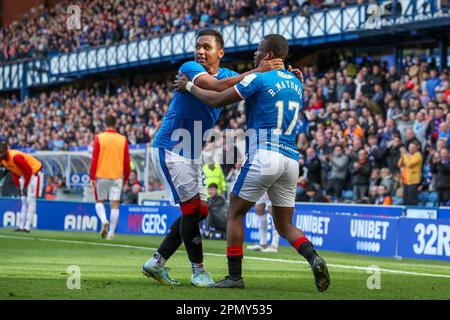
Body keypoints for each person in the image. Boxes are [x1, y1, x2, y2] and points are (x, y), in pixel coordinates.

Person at [175, 34, 330, 292]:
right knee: (284, 224)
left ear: (268, 55)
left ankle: (234, 277)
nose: (255, 55)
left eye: (259, 50)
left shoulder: (257, 77)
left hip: (265, 154)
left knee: (234, 212)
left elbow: (215, 98)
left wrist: (189, 87)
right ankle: (314, 258)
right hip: (291, 160)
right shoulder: (296, 81)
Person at [142, 28, 287, 288]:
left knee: (201, 211)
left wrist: (287, 75)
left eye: (207, 47)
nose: (200, 51)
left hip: (191, 154)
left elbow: (251, 88)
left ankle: (156, 262)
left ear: (220, 53)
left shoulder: (231, 75)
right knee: (192, 210)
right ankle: (198, 271)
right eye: (198, 46)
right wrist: (258, 70)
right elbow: (216, 87)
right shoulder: (189, 68)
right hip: (170, 148)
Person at [90, 115, 131, 240]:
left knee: (99, 201)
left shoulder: (99, 138)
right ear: (115, 124)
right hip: (117, 176)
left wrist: (92, 177)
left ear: (105, 124)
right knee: (115, 204)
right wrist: (127, 178)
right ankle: (111, 233)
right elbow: (126, 161)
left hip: (102, 175)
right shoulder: (122, 139)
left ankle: (103, 220)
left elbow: (94, 159)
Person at [0, 140, 44, 232]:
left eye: (1, 152)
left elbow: (28, 170)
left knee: (30, 199)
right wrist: (19, 187)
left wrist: (25, 186)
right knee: (23, 200)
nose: (0, 154)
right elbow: (14, 172)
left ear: (6, 150)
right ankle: (21, 225)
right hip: (24, 174)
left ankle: (27, 226)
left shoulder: (16, 157)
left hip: (35, 172)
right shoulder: (2, 160)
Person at [398, 140, 423, 205]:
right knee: (405, 199)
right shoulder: (407, 155)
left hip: (413, 181)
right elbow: (399, 164)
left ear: (417, 148)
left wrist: (405, 154)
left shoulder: (418, 155)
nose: (410, 149)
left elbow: (409, 164)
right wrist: (403, 156)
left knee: (412, 200)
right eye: (410, 147)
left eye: (413, 147)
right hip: (405, 180)